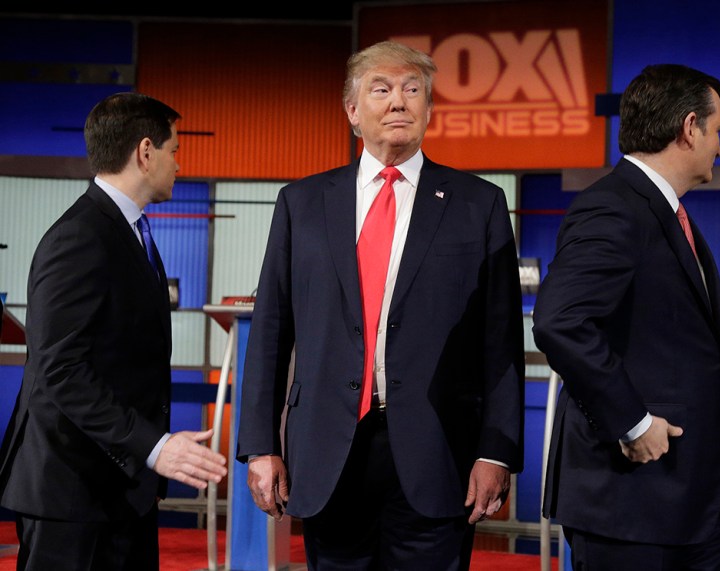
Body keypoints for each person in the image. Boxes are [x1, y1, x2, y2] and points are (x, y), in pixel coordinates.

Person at [236, 40, 525, 570]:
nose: (399, 102)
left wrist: (497, 451)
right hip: (329, 451)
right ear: (352, 111)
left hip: (440, 455)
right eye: (382, 89)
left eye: (413, 90)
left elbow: (500, 340)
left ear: (429, 109)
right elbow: (272, 330)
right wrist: (260, 446)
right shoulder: (301, 203)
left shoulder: (478, 204)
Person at [0, 92, 228, 570]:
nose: (179, 166)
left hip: (120, 486)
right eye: (175, 151)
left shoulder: (129, 231)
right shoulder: (80, 236)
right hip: (71, 494)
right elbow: (59, 369)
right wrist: (155, 444)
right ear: (145, 152)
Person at [532, 64, 720, 570]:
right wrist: (632, 422)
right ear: (689, 127)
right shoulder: (613, 207)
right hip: (631, 504)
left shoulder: (662, 211)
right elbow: (559, 320)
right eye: (717, 132)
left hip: (687, 504)